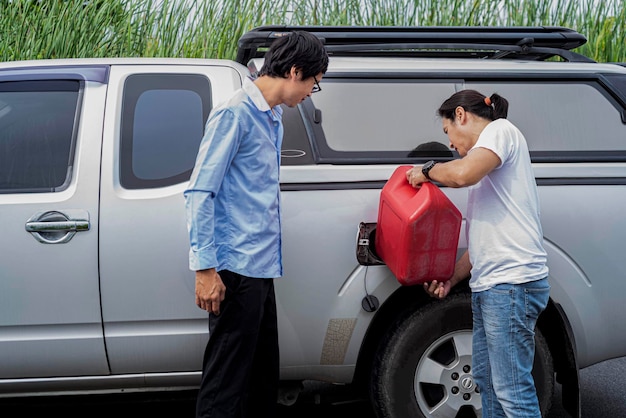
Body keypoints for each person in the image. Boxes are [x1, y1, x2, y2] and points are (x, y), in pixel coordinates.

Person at [184, 31, 328, 418]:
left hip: (261, 269)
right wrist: (205, 268)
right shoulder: (235, 113)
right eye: (314, 83)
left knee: (260, 381)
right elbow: (200, 192)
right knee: (226, 386)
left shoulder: (272, 116)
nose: (312, 92)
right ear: (295, 72)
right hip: (234, 270)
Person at [406, 89, 550, 418]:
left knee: (512, 389)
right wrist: (452, 278)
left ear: (461, 115)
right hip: (493, 286)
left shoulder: (500, 131)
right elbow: (482, 243)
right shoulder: (487, 173)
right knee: (489, 381)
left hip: (512, 285)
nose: (451, 145)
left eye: (448, 134)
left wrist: (426, 171)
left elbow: (460, 174)